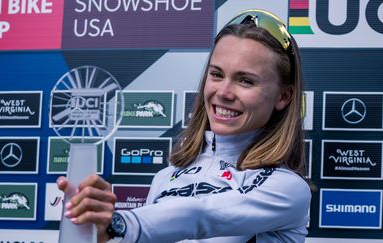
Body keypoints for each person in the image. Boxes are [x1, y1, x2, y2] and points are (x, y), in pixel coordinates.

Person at [57, 9, 312, 243]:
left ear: (283, 96)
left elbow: (201, 214)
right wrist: (97, 230)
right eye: (216, 74)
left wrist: (120, 224)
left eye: (245, 81)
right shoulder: (165, 177)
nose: (223, 92)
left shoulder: (287, 189)